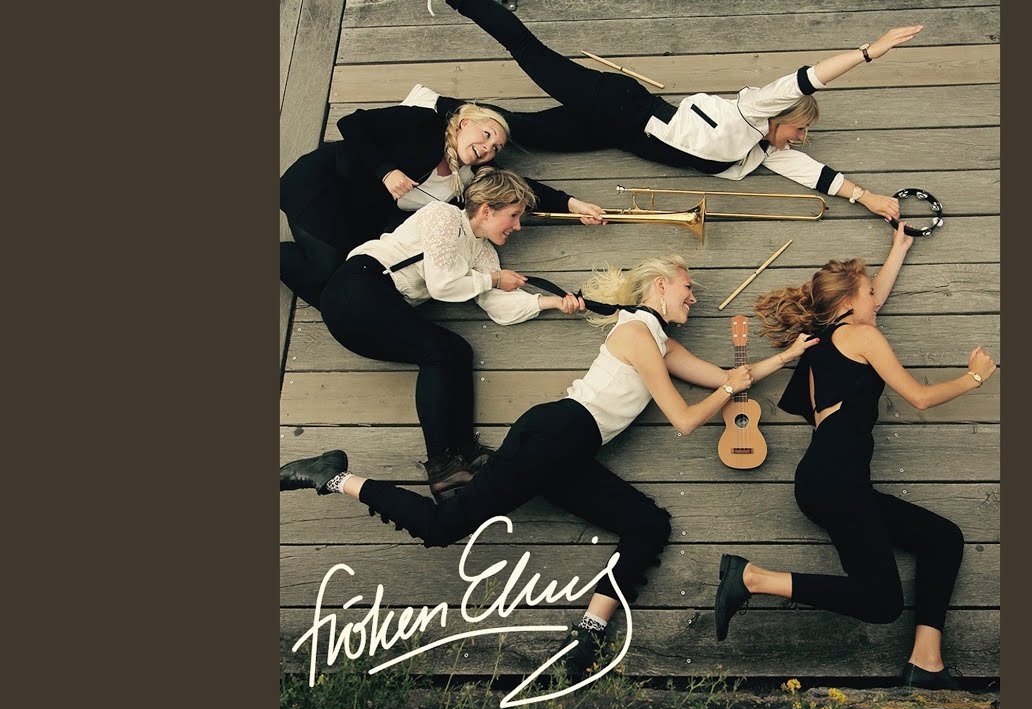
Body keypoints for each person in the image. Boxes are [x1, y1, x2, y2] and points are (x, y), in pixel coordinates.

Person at [280, 255, 818, 679]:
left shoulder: (660, 340)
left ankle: (588, 631)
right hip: (556, 433)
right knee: (442, 528)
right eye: (687, 288)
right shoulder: (635, 333)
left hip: (571, 447)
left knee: (647, 524)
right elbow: (684, 418)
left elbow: (726, 377)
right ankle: (333, 474)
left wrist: (786, 355)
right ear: (659, 286)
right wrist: (726, 389)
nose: (693, 298)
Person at [712, 222, 997, 690]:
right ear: (849, 302)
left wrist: (899, 247)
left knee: (942, 539)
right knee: (881, 603)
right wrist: (975, 378)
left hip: (828, 479)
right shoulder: (863, 338)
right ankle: (752, 579)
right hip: (837, 480)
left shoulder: (820, 346)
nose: (876, 300)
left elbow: (868, 302)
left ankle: (926, 662)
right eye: (869, 293)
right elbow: (919, 397)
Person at [438, 0, 918, 221]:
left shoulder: (761, 153)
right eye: (798, 130)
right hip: (619, 104)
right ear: (781, 116)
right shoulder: (753, 110)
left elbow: (817, 175)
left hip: (615, 133)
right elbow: (807, 78)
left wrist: (869, 198)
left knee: (523, 132)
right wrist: (868, 52)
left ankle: (435, 107)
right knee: (530, 53)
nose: (799, 139)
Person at [316, 167, 586, 494]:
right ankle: (442, 464)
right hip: (359, 285)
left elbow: (498, 307)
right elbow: (441, 284)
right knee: (441, 351)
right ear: (486, 210)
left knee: (456, 351)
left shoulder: (483, 251)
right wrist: (494, 279)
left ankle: (465, 455)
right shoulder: (443, 215)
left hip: (377, 310)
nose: (517, 226)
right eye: (513, 216)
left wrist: (552, 303)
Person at [280, 97, 606, 306]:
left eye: (496, 147)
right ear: (465, 123)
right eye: (487, 135)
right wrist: (386, 171)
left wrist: (573, 204)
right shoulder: (424, 124)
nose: (488, 148)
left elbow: (518, 190)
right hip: (322, 185)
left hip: (353, 219)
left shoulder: (468, 178)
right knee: (327, 277)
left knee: (342, 285)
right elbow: (352, 124)